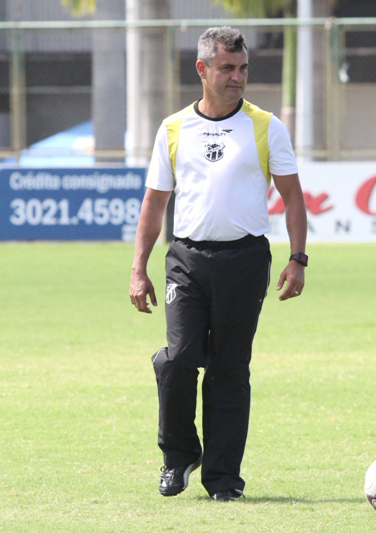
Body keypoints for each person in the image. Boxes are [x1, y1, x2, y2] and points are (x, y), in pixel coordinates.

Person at [129, 26, 308, 502]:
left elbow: (292, 197)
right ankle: (179, 455)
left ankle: (223, 479)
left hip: (245, 260)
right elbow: (153, 202)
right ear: (202, 70)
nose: (238, 77)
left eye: (243, 68)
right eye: (227, 68)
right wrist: (138, 267)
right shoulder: (172, 129)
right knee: (178, 359)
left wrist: (297, 258)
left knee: (230, 370)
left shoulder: (267, 126)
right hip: (186, 259)